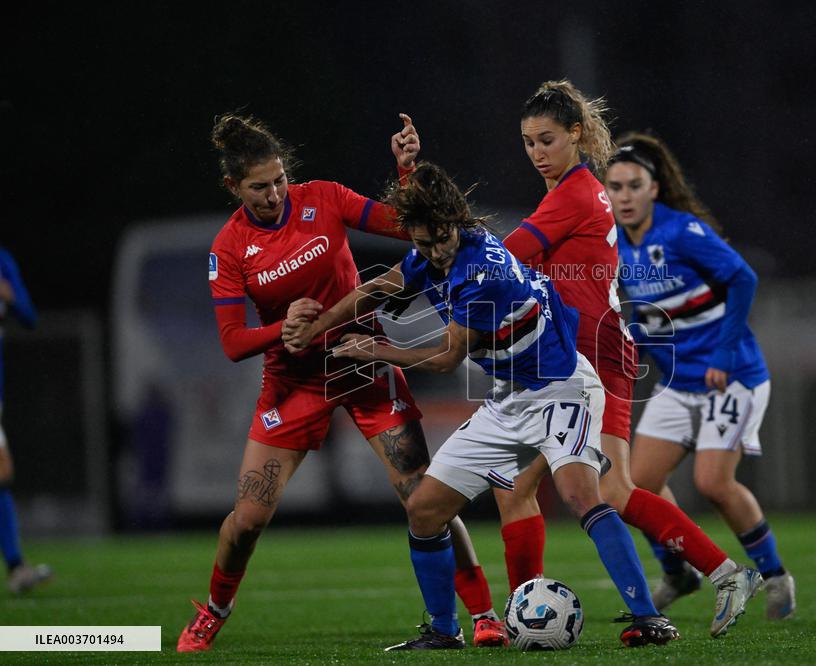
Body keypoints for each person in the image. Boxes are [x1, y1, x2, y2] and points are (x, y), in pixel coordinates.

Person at [282, 161, 686, 649]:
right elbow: (377, 288)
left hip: (561, 387)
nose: (434, 251)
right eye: (422, 242)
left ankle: (649, 618)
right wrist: (318, 325)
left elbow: (447, 358)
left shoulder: (481, 273)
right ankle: (442, 630)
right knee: (425, 509)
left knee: (580, 493)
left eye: (440, 239)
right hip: (508, 398)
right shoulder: (430, 255)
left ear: (456, 220)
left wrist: (377, 350)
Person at [176, 114, 502, 652]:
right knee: (248, 519)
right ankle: (214, 609)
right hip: (293, 382)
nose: (274, 194)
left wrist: (407, 171)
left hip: (363, 363)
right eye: (259, 187)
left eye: (279, 180)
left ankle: (485, 616)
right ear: (233, 186)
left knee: (424, 496)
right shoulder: (229, 247)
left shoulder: (323, 197)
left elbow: (403, 226)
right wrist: (284, 328)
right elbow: (233, 342)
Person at [491, 80, 763, 637]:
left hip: (592, 356)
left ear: (575, 134)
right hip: (575, 355)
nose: (537, 152)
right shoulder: (569, 193)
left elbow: (505, 257)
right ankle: (531, 613)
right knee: (524, 488)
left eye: (547, 140)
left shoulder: (573, 194)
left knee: (588, 491)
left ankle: (718, 578)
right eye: (528, 142)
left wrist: (445, 260)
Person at [605, 131, 795, 621]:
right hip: (680, 382)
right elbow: (650, 316)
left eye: (634, 185)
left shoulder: (681, 231)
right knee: (638, 486)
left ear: (654, 188)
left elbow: (743, 278)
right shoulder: (617, 243)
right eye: (615, 187)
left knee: (712, 482)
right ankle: (678, 573)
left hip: (732, 376)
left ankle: (775, 575)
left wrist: (725, 354)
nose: (624, 196)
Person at [0, 247, 52, 595]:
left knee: (2, 473)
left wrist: (9, 296)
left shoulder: (3, 261)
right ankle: (16, 566)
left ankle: (16, 566)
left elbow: (30, 316)